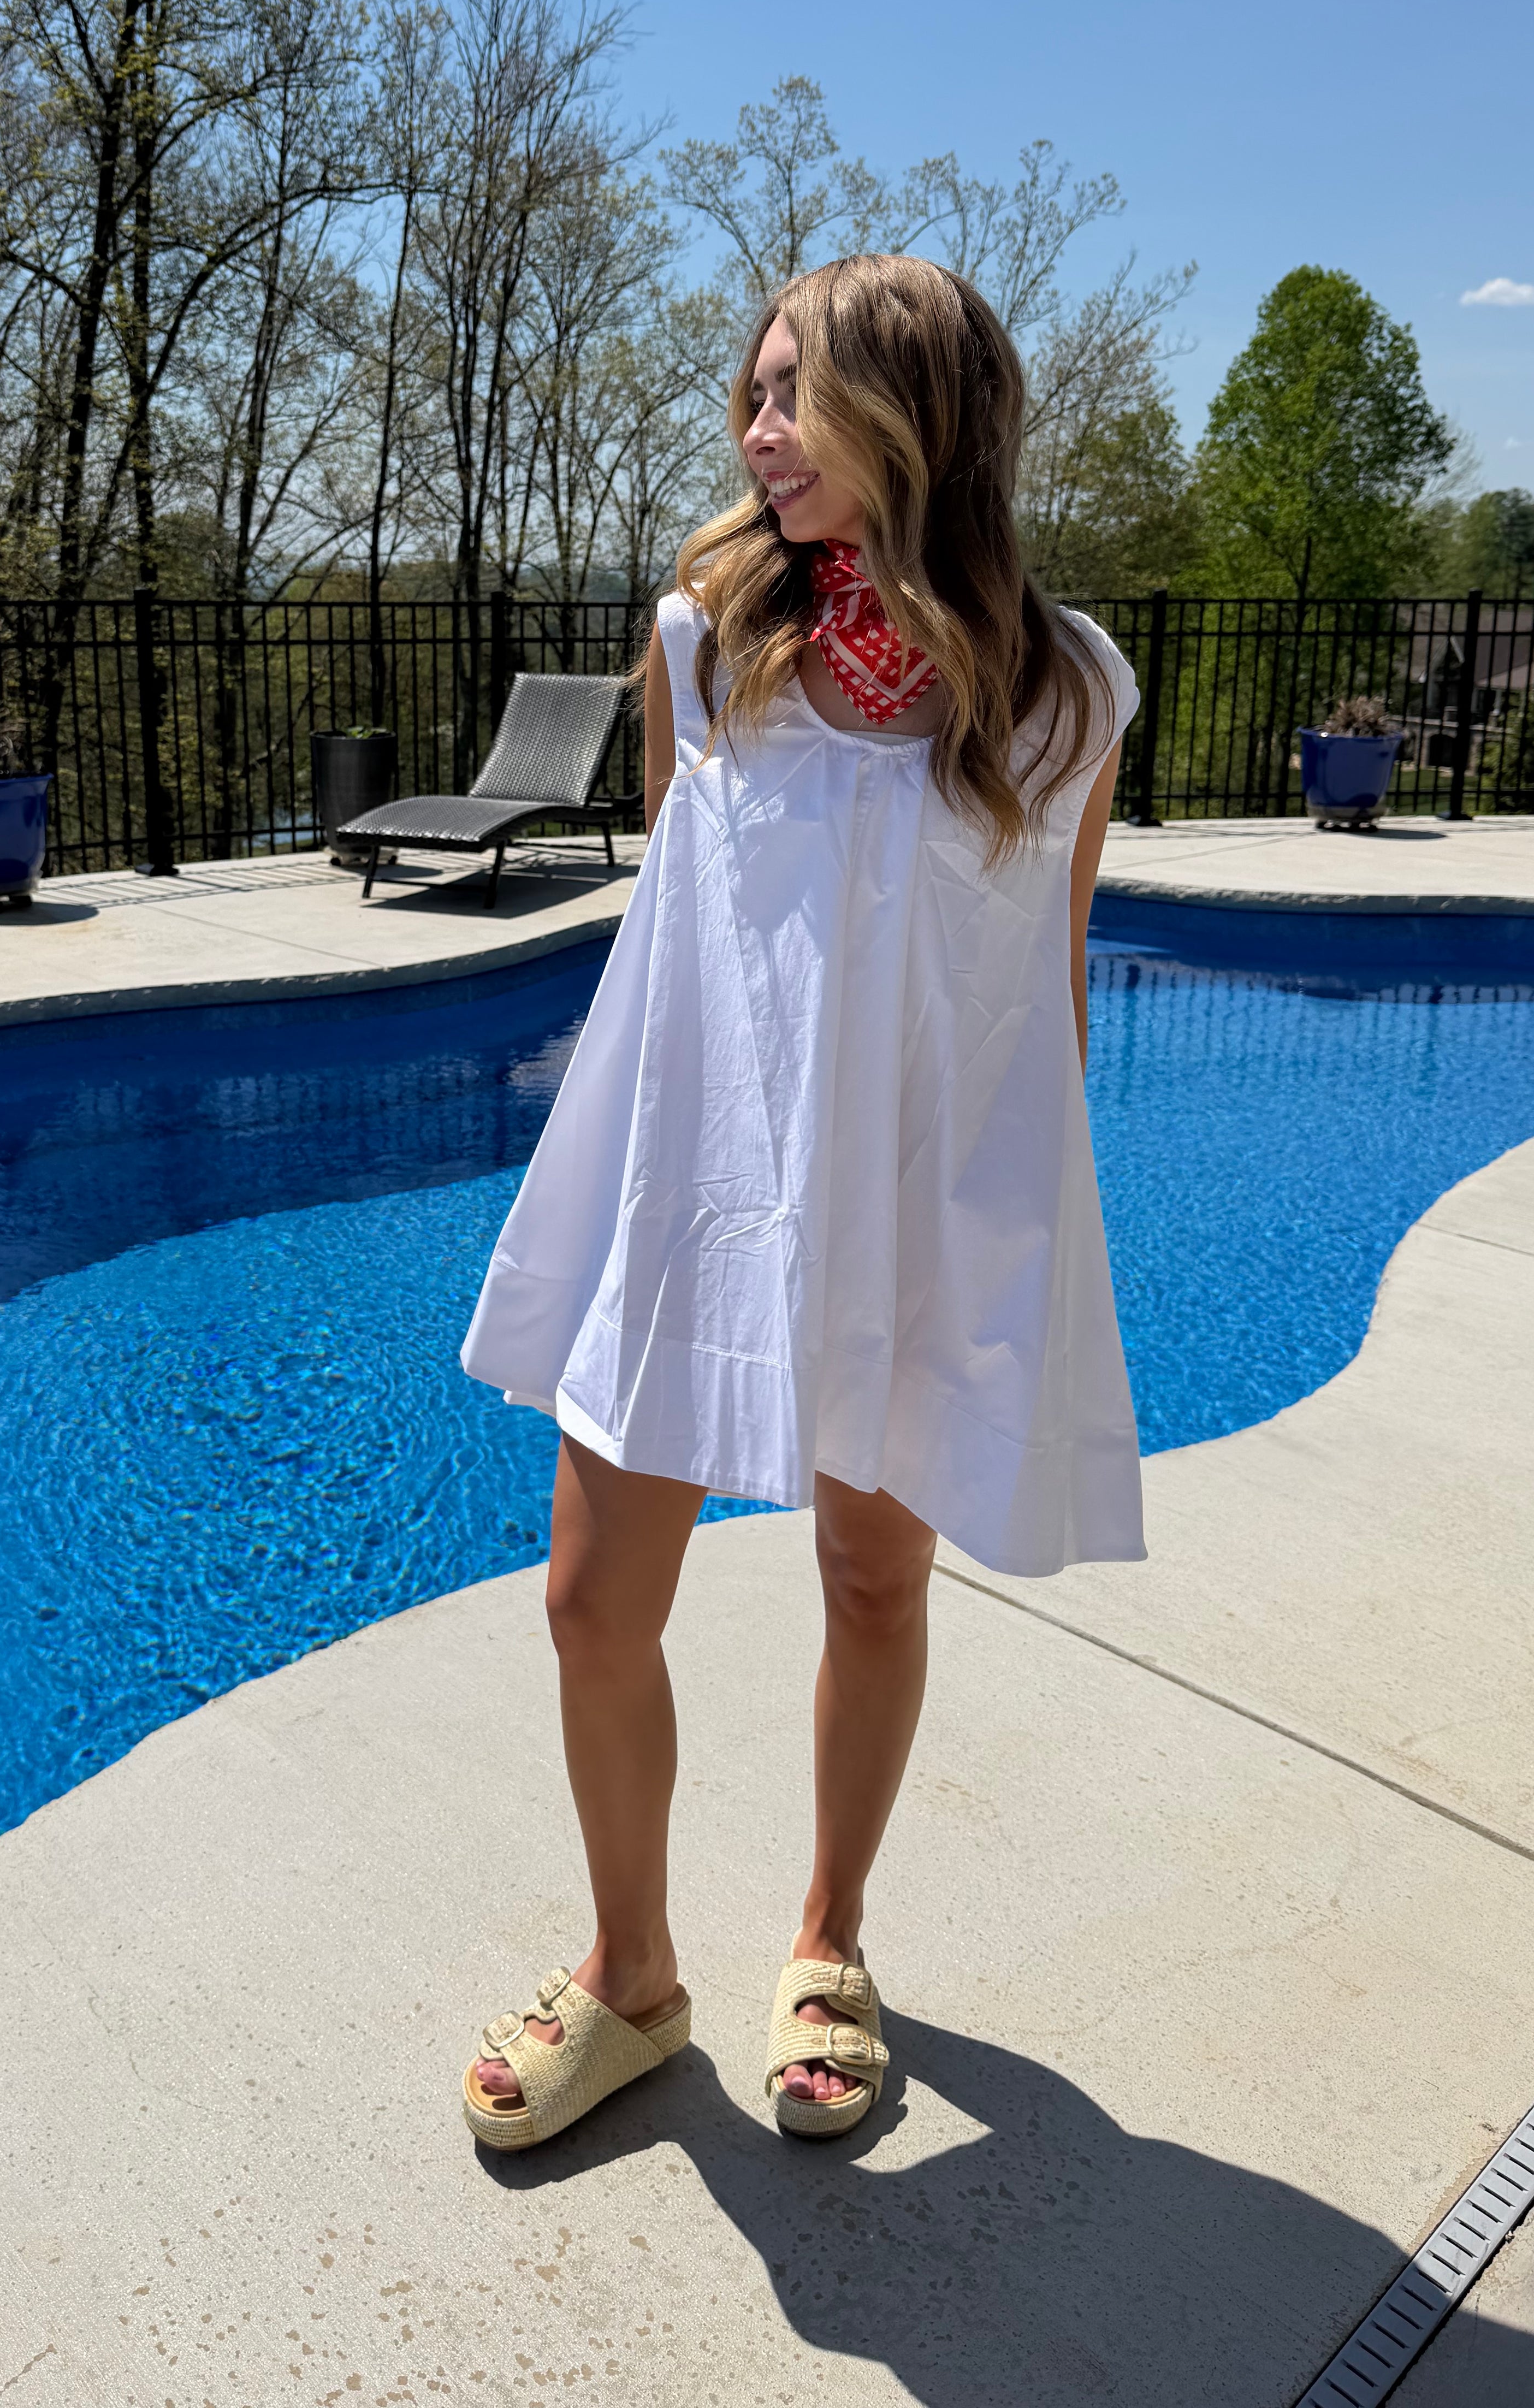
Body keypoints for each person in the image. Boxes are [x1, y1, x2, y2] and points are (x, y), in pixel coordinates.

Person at [457, 252, 1144, 2152]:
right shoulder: (704, 640)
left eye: (798, 395)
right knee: (593, 1600)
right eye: (752, 395)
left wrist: (1018, 1259)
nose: (759, 433)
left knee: (871, 1575)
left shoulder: (1070, 688)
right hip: (704, 1197)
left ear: (917, 417)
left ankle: (829, 1942)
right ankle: (634, 1974)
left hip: (918, 1209)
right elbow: (686, 952)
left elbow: (1048, 992)